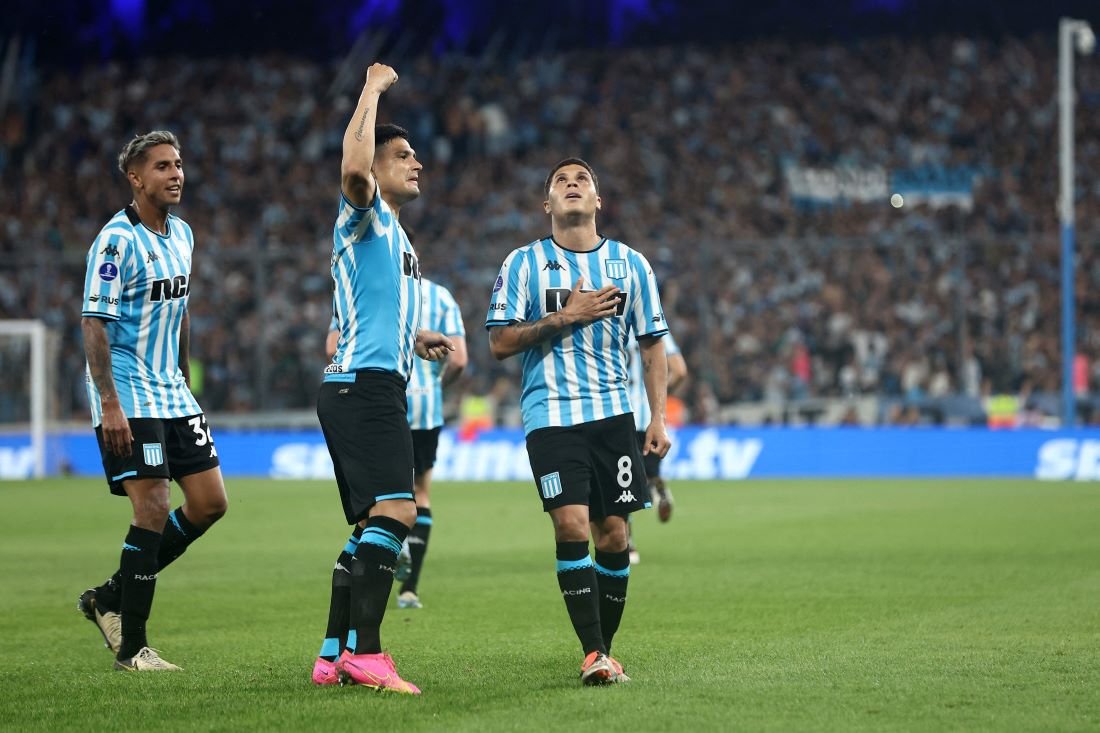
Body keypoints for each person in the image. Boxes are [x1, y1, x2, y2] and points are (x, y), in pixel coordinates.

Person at [486, 158, 671, 685]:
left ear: (598, 202)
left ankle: (605, 650)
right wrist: (567, 315)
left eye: (582, 180)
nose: (572, 185)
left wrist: (657, 418)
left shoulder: (632, 265)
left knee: (614, 535)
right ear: (547, 205)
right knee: (571, 524)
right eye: (561, 182)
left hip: (615, 417)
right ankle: (593, 653)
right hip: (551, 417)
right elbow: (499, 342)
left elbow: (653, 344)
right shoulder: (522, 263)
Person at [311, 63, 453, 695]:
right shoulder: (365, 211)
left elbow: (364, 310)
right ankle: (366, 654)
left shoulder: (397, 236)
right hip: (365, 387)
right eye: (404, 155)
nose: (416, 163)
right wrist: (372, 90)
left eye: (418, 155)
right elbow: (351, 169)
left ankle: (330, 654)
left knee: (370, 522)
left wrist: (414, 339)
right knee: (398, 511)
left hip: (367, 381)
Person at [78, 130, 229, 672]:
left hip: (172, 389)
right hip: (129, 393)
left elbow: (181, 307)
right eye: (162, 166)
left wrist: (186, 374)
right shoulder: (116, 242)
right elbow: (95, 321)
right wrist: (109, 404)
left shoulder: (183, 234)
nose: (175, 174)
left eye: (179, 164)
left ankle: (110, 595)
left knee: (211, 503)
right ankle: (132, 647)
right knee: (153, 507)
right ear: (135, 178)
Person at [325, 275, 468, 611]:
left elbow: (332, 347)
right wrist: (436, 386)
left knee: (381, 499)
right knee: (421, 493)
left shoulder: (358, 286)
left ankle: (383, 552)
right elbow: (459, 359)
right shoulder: (441, 295)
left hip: (374, 397)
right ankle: (410, 589)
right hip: (424, 404)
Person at [625, 332, 688, 564]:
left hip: (616, 412)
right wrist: (657, 395)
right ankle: (656, 483)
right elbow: (680, 371)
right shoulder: (652, 326)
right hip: (649, 416)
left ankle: (627, 544)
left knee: (619, 480)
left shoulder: (607, 326)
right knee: (646, 470)